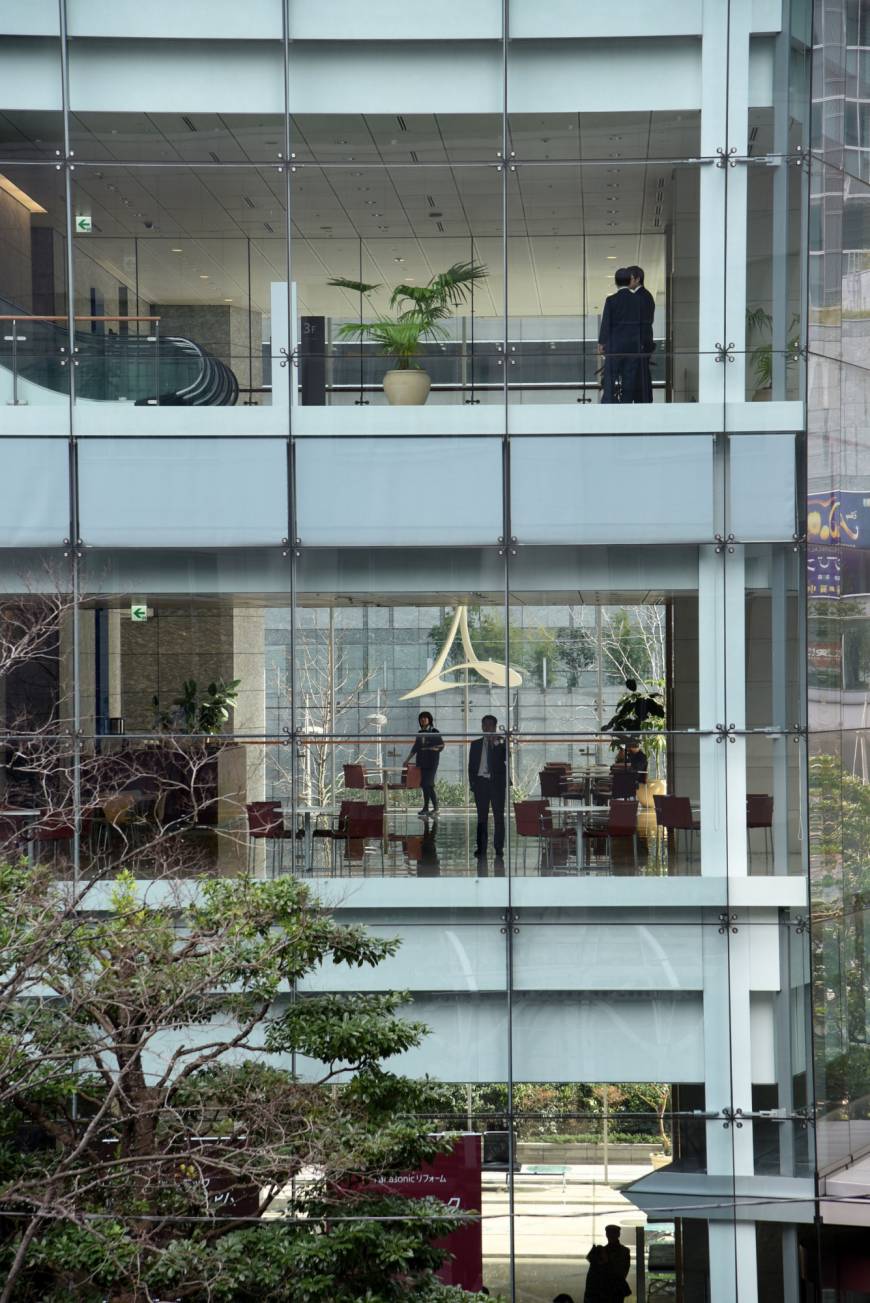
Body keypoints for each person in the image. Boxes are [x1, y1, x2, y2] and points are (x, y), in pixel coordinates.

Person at [598, 268, 642, 403]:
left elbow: (606, 323)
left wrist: (601, 342)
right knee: (629, 381)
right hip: (632, 346)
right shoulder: (637, 300)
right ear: (630, 281)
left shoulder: (611, 300)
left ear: (616, 282)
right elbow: (641, 323)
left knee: (610, 379)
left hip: (615, 347)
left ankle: (609, 405)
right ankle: (626, 407)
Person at [468, 715, 506, 861]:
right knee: (481, 818)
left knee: (499, 817)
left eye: (490, 725)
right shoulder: (475, 744)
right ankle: (481, 848)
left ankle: (499, 848)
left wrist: (496, 743)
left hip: (497, 784)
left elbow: (505, 759)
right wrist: (473, 784)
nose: (487, 727)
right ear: (482, 726)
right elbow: (471, 766)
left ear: (495, 727)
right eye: (485, 725)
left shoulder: (502, 743)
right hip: (481, 784)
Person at [405, 710, 444, 817]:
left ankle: (435, 808)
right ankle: (427, 808)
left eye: (425, 718)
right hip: (422, 762)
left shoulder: (434, 731)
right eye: (421, 718)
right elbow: (415, 747)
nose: (423, 720)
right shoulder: (420, 733)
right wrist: (407, 760)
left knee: (428, 784)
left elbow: (441, 745)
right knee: (425, 785)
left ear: (429, 719)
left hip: (431, 762)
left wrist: (433, 748)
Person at [627, 265, 655, 402]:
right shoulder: (644, 295)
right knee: (641, 375)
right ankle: (642, 401)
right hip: (642, 342)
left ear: (637, 279)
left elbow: (643, 322)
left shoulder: (642, 296)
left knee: (641, 376)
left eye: (629, 278)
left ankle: (643, 402)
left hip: (641, 343)